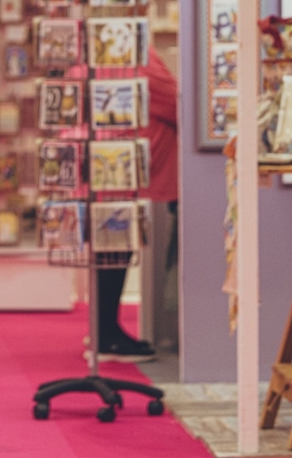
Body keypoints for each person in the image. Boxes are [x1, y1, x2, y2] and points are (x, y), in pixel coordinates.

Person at [95, 46, 178, 360]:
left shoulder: (104, 54)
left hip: (107, 167)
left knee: (110, 251)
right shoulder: (139, 57)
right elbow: (175, 103)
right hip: (124, 173)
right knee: (116, 250)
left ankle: (104, 329)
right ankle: (107, 335)